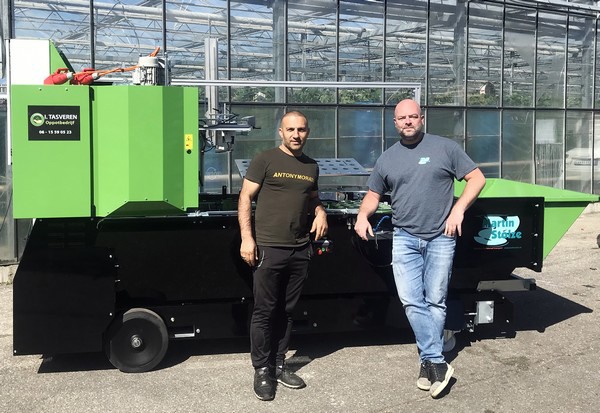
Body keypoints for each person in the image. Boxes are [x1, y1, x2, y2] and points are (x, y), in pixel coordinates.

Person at [354, 99, 485, 399]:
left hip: (441, 236)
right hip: (404, 238)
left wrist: (458, 210)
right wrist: (362, 215)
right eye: (403, 118)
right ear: (395, 123)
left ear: (422, 119)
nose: (408, 122)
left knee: (436, 301)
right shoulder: (387, 158)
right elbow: (373, 194)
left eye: (413, 116)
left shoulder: (445, 148)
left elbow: (477, 178)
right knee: (412, 301)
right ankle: (436, 361)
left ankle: (429, 363)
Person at [238, 111, 328, 401]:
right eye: (290, 130)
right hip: (269, 247)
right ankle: (262, 369)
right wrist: (247, 238)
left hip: (300, 248)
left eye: (301, 130)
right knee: (265, 311)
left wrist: (321, 211)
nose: (296, 135)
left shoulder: (311, 166)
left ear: (308, 132)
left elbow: (312, 198)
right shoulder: (265, 159)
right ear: (281, 132)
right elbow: (245, 197)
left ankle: (278, 365)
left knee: (287, 311)